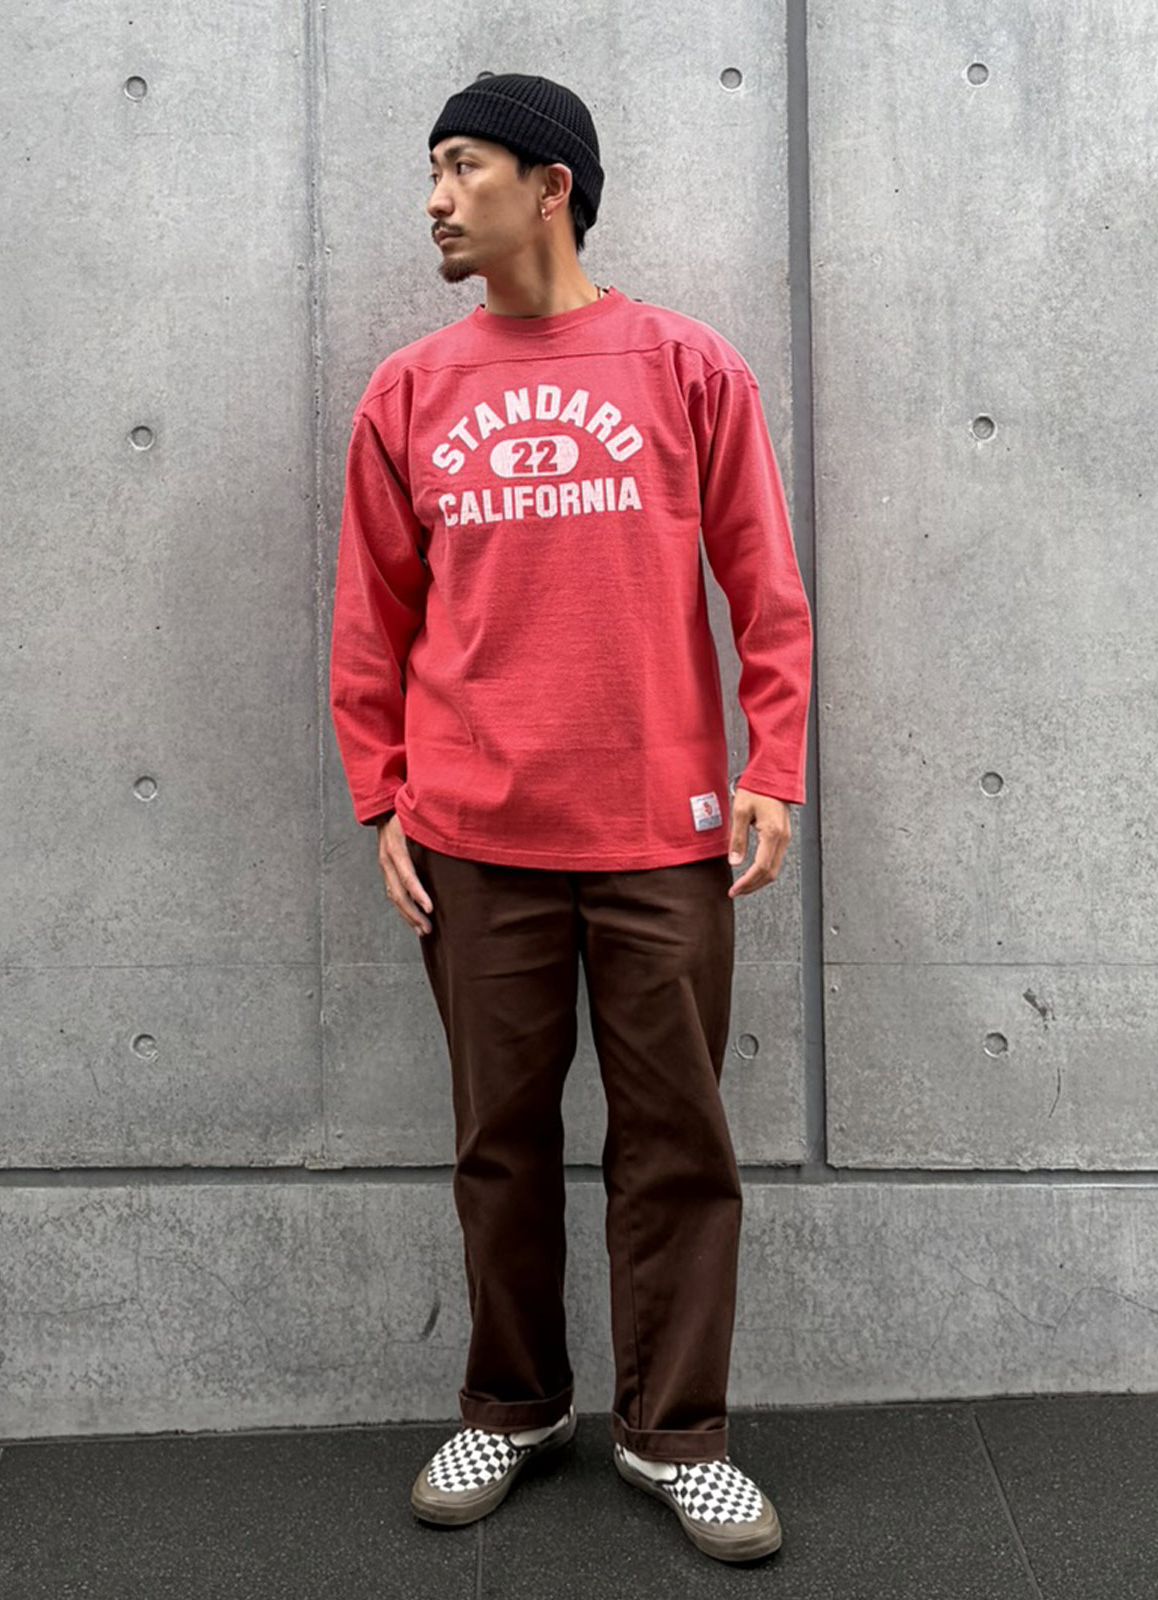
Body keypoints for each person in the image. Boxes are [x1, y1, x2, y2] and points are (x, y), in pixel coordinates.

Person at [328, 72, 813, 1565]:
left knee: (678, 1145)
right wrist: (381, 794)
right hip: (473, 839)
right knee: (499, 1144)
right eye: (430, 170)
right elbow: (370, 617)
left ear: (553, 186)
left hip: (661, 833)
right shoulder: (410, 391)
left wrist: (773, 761)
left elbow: (765, 584)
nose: (433, 199)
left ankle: (677, 1435)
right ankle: (515, 1403)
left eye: (461, 165)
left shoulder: (686, 366)